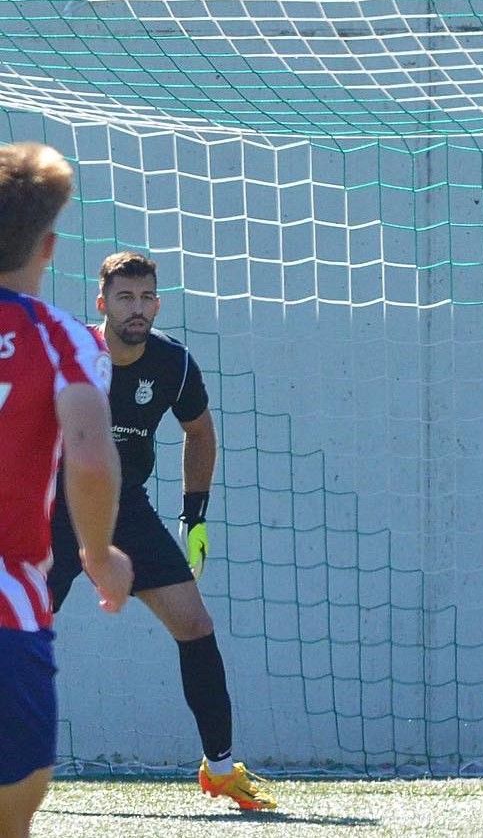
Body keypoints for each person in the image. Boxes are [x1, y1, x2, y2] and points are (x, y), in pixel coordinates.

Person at [47, 251, 277, 810]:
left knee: (196, 625)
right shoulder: (67, 353)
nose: (138, 308)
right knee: (15, 634)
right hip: (53, 510)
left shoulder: (173, 363)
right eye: (125, 297)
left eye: (147, 297)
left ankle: (220, 770)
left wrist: (194, 516)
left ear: (158, 302)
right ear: (102, 304)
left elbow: (199, 433)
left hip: (127, 510)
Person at [0, 142, 132, 838]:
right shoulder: (63, 338)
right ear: (48, 246)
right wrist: (100, 551)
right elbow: (87, 454)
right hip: (9, 613)